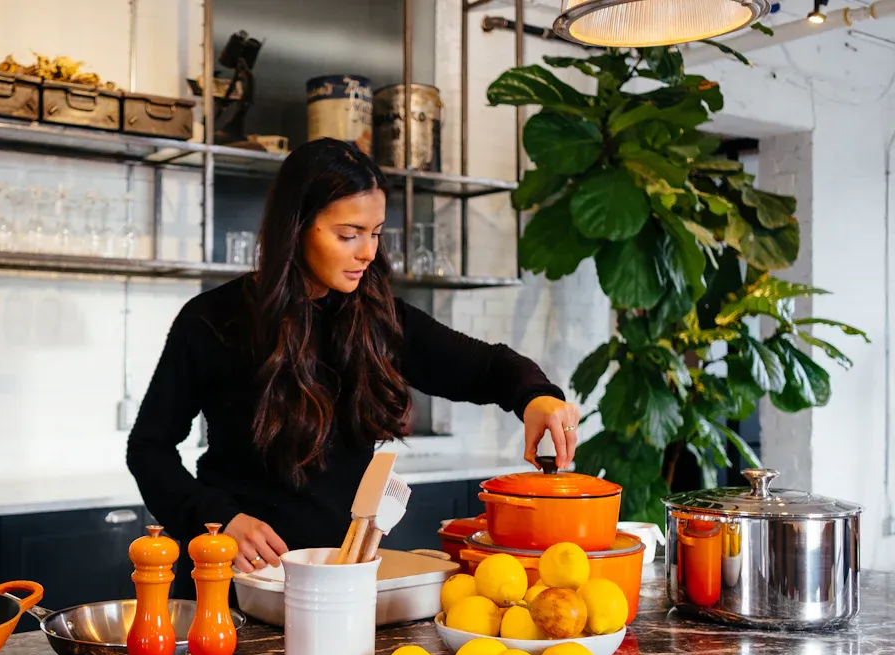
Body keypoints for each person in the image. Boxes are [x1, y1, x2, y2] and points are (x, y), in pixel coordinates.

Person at [127, 138, 580, 596]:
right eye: (348, 235)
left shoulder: (379, 319)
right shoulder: (212, 321)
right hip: (233, 586)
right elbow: (149, 449)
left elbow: (488, 367)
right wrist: (219, 521)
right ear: (297, 227)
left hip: (341, 585)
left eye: (376, 232)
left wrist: (536, 396)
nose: (367, 252)